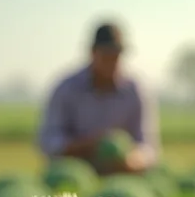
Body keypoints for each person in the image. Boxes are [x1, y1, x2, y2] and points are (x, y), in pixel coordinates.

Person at [38, 22, 160, 174]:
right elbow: (48, 142)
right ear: (93, 53)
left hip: (121, 177)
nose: (111, 62)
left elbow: (148, 147)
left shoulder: (135, 91)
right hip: (72, 175)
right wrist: (86, 146)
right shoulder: (67, 89)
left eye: (115, 55)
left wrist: (132, 159)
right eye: (106, 55)